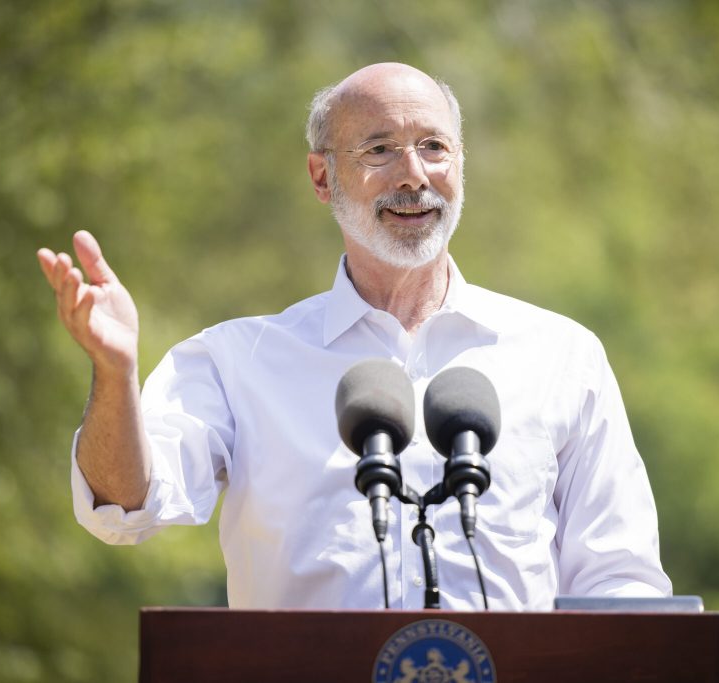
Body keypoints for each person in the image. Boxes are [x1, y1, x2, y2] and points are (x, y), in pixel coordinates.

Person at [37, 62, 671, 610]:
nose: (414, 175)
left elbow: (622, 583)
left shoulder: (562, 356)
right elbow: (124, 507)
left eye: (434, 147)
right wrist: (114, 373)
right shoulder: (237, 362)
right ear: (322, 177)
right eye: (379, 149)